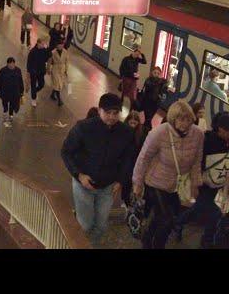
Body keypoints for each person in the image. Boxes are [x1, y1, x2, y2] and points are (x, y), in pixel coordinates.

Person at [61, 93, 134, 245]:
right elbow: (66, 151)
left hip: (107, 187)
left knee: (101, 226)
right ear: (99, 110)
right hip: (83, 186)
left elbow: (128, 159)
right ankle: (76, 244)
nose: (112, 117)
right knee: (86, 224)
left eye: (115, 113)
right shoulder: (83, 128)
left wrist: (121, 181)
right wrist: (79, 175)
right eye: (108, 112)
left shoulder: (125, 132)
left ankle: (90, 246)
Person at [132, 100, 204, 249]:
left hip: (179, 184)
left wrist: (196, 184)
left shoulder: (198, 134)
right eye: (181, 119)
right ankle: (156, 245)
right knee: (167, 219)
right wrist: (137, 183)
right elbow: (143, 158)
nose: (186, 123)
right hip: (156, 182)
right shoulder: (159, 133)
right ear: (173, 119)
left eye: (189, 119)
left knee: (162, 217)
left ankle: (147, 238)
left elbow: (197, 160)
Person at [174, 111, 229, 248]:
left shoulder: (226, 142)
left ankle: (179, 223)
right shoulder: (206, 140)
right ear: (221, 129)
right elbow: (196, 161)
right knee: (214, 213)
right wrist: (195, 181)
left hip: (216, 182)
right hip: (202, 182)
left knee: (199, 209)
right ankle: (207, 241)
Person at [120, 111, 149, 208]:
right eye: (131, 123)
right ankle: (125, 200)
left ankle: (131, 200)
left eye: (135, 123)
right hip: (127, 162)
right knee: (127, 182)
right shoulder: (123, 131)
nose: (132, 125)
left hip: (136, 161)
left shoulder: (141, 133)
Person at [0, 57, 25, 127]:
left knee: (12, 103)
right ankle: (5, 110)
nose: (11, 65)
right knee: (4, 101)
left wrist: (22, 90)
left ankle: (11, 114)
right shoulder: (3, 70)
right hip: (5, 91)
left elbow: (20, 81)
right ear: (7, 64)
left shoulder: (18, 70)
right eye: (10, 64)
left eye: (13, 64)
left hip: (14, 91)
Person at [119, 44, 147, 108]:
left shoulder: (137, 59)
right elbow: (121, 68)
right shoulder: (126, 59)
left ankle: (131, 106)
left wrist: (141, 53)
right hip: (126, 78)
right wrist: (121, 77)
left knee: (132, 93)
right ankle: (122, 101)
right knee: (125, 91)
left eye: (138, 54)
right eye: (136, 54)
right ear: (133, 52)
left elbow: (144, 61)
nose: (137, 55)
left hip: (134, 79)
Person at [26, 38, 50, 107]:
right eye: (42, 44)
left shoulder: (44, 50)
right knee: (33, 85)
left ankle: (34, 91)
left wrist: (47, 49)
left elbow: (47, 57)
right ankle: (33, 99)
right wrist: (29, 72)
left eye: (44, 44)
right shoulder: (32, 52)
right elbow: (29, 63)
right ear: (38, 43)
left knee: (42, 84)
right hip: (34, 72)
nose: (43, 45)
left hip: (41, 71)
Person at [49, 38, 69, 107]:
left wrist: (66, 70)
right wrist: (48, 69)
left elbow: (67, 61)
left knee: (59, 84)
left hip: (62, 70)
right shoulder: (53, 52)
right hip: (55, 69)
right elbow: (49, 62)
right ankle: (59, 100)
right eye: (59, 45)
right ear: (56, 46)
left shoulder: (65, 52)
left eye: (61, 45)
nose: (60, 47)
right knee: (58, 84)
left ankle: (52, 94)